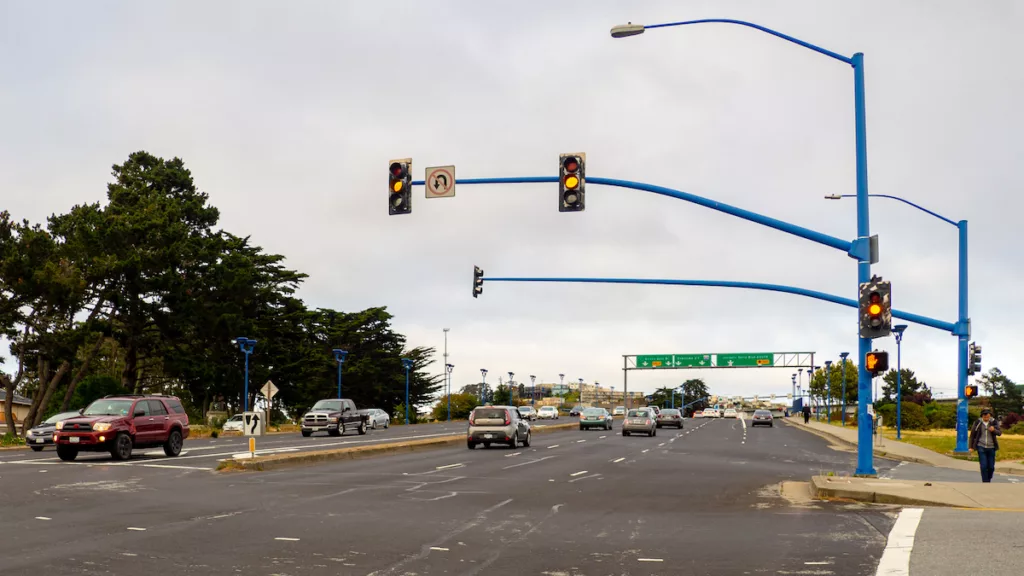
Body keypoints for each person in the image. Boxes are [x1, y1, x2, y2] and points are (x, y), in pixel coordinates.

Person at [969, 408, 1002, 483]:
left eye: (988, 416)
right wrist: (971, 447)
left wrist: (994, 430)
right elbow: (972, 435)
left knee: (991, 467)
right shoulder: (978, 423)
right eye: (984, 416)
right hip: (981, 446)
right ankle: (985, 481)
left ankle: (988, 478)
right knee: (983, 466)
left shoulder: (994, 422)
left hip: (991, 447)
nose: (986, 417)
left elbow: (999, 433)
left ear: (990, 416)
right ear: (982, 416)